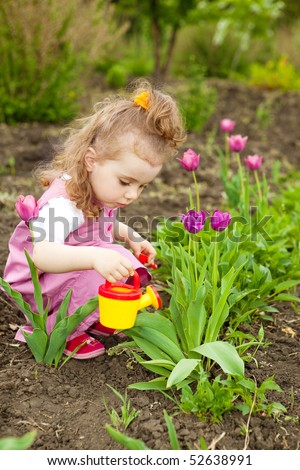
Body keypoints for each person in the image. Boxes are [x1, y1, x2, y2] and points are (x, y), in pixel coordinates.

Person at [3, 79, 186, 359]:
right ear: (91, 160)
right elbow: (43, 254)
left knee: (116, 259)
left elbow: (98, 225)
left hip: (66, 272)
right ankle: (64, 331)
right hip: (39, 284)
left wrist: (128, 235)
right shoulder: (63, 204)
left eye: (142, 186)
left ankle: (96, 318)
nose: (132, 194)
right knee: (102, 263)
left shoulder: (100, 190)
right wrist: (94, 258)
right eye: (126, 182)